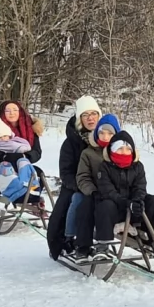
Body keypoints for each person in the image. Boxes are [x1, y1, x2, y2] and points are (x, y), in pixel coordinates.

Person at [89, 130, 154, 263]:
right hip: (114, 209)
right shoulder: (104, 167)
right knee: (104, 205)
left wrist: (137, 201)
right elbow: (107, 191)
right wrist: (126, 203)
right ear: (112, 150)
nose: (124, 152)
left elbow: (140, 187)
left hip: (133, 210)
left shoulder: (138, 167)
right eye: (120, 149)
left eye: (128, 149)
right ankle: (102, 245)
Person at [46, 96, 102, 259]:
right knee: (78, 200)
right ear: (80, 119)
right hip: (76, 186)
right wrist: (84, 187)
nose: (90, 118)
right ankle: (70, 237)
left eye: (94, 114)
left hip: (103, 185)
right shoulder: (70, 143)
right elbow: (66, 173)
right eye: (86, 115)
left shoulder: (106, 136)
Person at [69, 114, 122, 256]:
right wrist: (92, 191)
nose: (105, 137)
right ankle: (83, 245)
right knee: (85, 207)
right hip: (96, 193)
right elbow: (82, 177)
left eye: (110, 133)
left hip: (117, 195)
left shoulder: (121, 151)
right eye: (102, 133)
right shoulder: (88, 153)